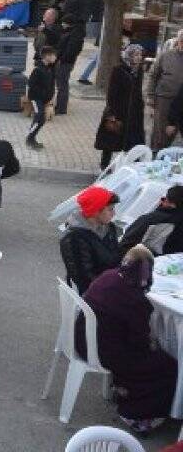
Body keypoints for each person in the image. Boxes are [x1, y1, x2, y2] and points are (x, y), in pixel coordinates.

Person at [78, 245, 177, 433]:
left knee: (152, 358)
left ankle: (125, 390)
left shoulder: (109, 276)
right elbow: (139, 341)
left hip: (83, 338)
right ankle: (136, 414)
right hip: (103, 350)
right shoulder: (134, 299)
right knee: (168, 366)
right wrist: (154, 345)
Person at [59, 185, 121, 294]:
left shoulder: (109, 228)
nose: (114, 213)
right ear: (96, 211)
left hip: (112, 283)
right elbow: (84, 279)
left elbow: (116, 258)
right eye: (110, 209)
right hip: (95, 294)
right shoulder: (74, 238)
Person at [96, 44, 148, 168]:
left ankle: (131, 168)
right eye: (136, 55)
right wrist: (111, 113)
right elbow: (112, 93)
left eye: (140, 55)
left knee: (133, 141)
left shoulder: (138, 70)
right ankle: (104, 167)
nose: (139, 57)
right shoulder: (118, 70)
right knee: (111, 141)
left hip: (134, 112)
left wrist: (141, 107)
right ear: (129, 55)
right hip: (118, 111)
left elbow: (137, 90)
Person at [119, 185, 183, 255]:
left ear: (169, 203)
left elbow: (125, 244)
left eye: (164, 199)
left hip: (140, 259)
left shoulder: (151, 219)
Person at [150, 30, 183, 149]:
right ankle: (155, 155)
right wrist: (150, 98)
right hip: (164, 98)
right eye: (182, 41)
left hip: (180, 101)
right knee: (160, 132)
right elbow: (153, 75)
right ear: (177, 41)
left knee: (174, 132)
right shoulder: (166, 55)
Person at [25, 46, 58, 149]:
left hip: (45, 99)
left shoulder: (50, 69)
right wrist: (41, 94)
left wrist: (51, 97)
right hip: (36, 98)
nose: (55, 57)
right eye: (53, 55)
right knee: (39, 116)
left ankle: (33, 137)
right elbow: (31, 84)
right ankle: (29, 138)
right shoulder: (38, 70)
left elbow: (52, 85)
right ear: (47, 56)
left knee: (42, 119)